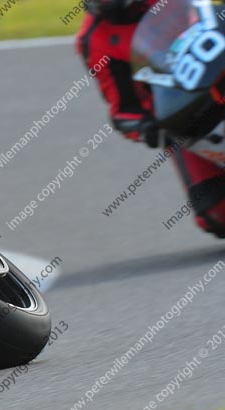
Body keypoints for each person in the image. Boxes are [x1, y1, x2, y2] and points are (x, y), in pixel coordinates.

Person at [77, 0, 225, 236]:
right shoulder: (93, 39)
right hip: (184, 122)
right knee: (215, 213)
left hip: (218, 74)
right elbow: (123, 108)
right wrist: (145, 127)